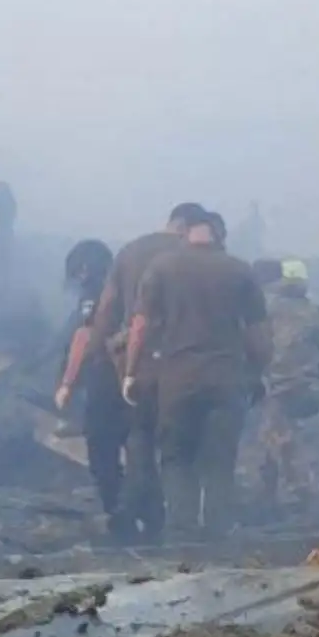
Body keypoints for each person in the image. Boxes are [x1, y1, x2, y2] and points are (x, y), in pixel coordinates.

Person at [125, 213, 271, 540]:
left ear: (185, 234)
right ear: (219, 235)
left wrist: (131, 372)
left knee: (177, 457)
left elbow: (141, 325)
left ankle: (181, 532)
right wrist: (258, 373)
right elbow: (258, 333)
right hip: (226, 378)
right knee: (219, 458)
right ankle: (218, 534)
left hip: (177, 380)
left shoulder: (162, 267)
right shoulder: (239, 270)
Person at [89, 202, 206, 543]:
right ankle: (177, 523)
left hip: (134, 363)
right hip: (184, 361)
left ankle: (142, 514)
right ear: (188, 227)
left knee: (139, 436)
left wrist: (98, 356)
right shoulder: (196, 257)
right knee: (180, 445)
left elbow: (107, 309)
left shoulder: (130, 251)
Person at [54, 239, 126, 524]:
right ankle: (146, 511)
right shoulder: (128, 286)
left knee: (101, 448)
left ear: (84, 269)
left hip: (105, 379)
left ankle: (119, 513)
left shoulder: (93, 293)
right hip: (136, 380)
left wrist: (67, 384)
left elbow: (84, 338)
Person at [258, 259, 319, 503]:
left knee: (273, 438)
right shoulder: (313, 310)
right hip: (307, 386)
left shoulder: (265, 308)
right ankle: (294, 487)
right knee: (285, 436)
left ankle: (284, 491)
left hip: (278, 386)